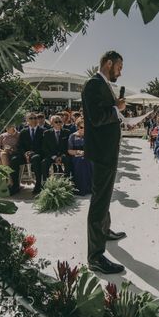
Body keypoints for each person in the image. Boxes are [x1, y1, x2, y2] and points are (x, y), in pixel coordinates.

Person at [81, 50, 127, 274]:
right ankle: (95, 257)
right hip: (101, 153)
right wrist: (116, 109)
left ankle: (105, 230)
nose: (120, 71)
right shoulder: (92, 84)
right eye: (119, 66)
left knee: (106, 194)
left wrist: (115, 109)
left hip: (107, 151)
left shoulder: (103, 84)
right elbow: (96, 118)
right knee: (99, 201)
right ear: (108, 63)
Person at [13, 113, 44, 195]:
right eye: (31, 118)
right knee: (14, 160)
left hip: (37, 154)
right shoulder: (23, 131)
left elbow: (44, 146)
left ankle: (38, 185)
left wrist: (33, 152)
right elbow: (20, 146)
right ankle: (15, 185)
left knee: (36, 158)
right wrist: (25, 153)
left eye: (35, 118)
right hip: (25, 155)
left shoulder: (43, 131)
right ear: (27, 120)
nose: (33, 120)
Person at [41, 115, 71, 182]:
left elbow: (68, 146)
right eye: (56, 122)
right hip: (51, 155)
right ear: (52, 123)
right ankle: (45, 183)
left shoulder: (67, 132)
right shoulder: (47, 133)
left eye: (60, 121)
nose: (58, 123)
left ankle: (66, 182)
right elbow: (45, 148)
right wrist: (54, 157)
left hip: (63, 155)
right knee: (44, 163)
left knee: (68, 161)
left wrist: (61, 156)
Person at [67, 118, 93, 195]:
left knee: (88, 161)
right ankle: (80, 188)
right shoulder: (72, 136)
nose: (83, 129)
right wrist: (78, 152)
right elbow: (69, 150)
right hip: (76, 155)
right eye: (81, 127)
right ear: (78, 127)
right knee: (81, 160)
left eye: (86, 127)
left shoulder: (90, 136)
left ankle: (90, 187)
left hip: (89, 155)